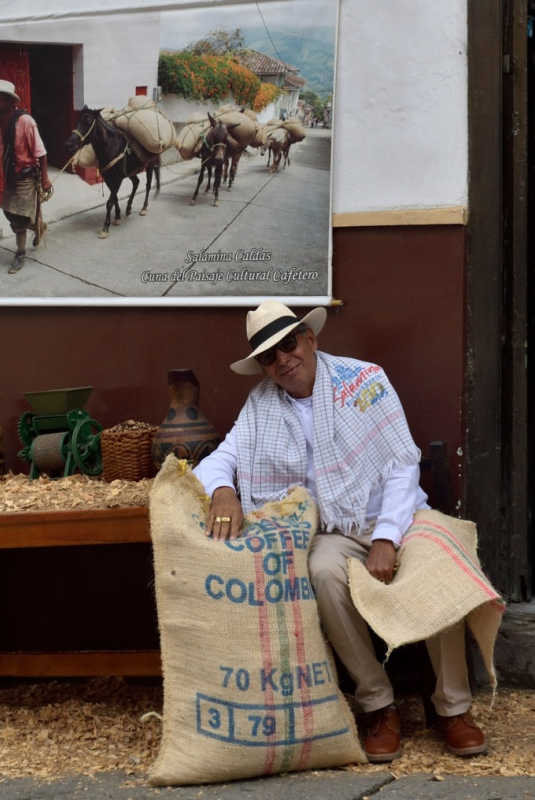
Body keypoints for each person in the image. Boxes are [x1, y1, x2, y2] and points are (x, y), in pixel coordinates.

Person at [192, 300, 488, 763]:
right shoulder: (260, 406)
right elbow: (220, 459)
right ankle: (378, 706)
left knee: (438, 566)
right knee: (322, 568)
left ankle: (453, 708)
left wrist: (388, 538)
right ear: (263, 368)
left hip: (399, 516)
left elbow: (401, 465)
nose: (283, 359)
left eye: (288, 344)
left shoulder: (364, 381)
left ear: (310, 339)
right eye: (269, 356)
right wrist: (224, 492)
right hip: (334, 529)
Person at [0, 79, 52, 274]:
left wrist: (45, 179)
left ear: (9, 101)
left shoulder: (26, 121)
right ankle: (39, 226)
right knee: (8, 211)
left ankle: (20, 254)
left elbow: (41, 153)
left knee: (19, 219)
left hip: (27, 177)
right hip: (10, 177)